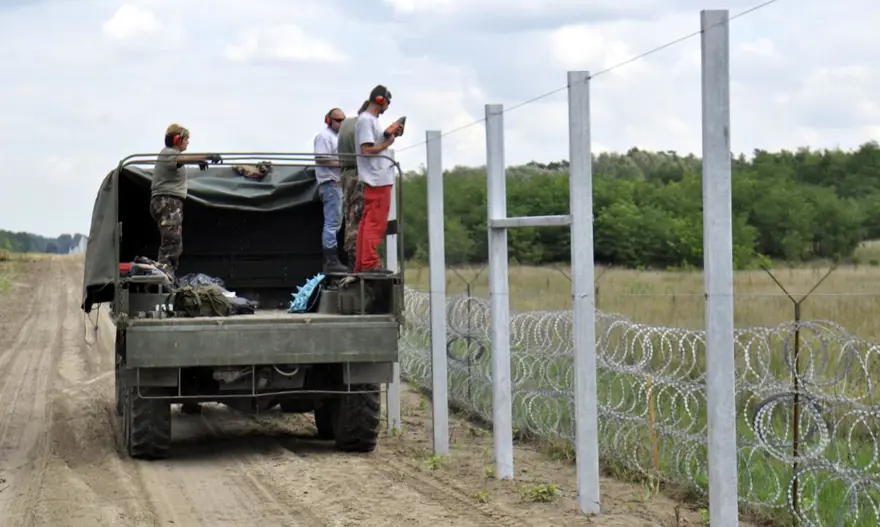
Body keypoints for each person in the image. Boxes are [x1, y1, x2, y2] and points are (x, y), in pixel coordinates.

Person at [149, 123, 221, 280]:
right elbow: (182, 159)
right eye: (186, 139)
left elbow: (182, 160)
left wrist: (200, 161)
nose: (188, 142)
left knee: (174, 242)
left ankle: (167, 274)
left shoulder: (171, 156)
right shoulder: (168, 153)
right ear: (177, 139)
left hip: (169, 203)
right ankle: (164, 276)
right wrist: (207, 157)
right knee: (172, 242)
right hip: (167, 202)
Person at [354, 85, 401, 273]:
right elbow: (366, 149)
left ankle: (362, 263)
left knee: (368, 221)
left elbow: (372, 144)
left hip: (377, 177)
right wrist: (387, 143)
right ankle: (369, 263)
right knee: (375, 223)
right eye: (387, 103)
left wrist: (386, 135)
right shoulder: (366, 120)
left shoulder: (369, 120)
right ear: (381, 100)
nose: (387, 107)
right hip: (377, 178)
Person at [314, 107, 348, 273]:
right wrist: (343, 164)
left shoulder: (337, 137)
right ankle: (331, 259)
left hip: (336, 183)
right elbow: (321, 158)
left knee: (336, 221)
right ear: (329, 120)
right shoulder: (324, 136)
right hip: (330, 182)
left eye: (343, 120)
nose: (341, 123)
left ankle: (332, 258)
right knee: (332, 222)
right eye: (338, 120)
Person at [337, 100, 370, 269]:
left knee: (349, 217)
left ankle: (352, 258)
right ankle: (357, 260)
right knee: (358, 218)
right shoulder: (361, 126)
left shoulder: (346, 124)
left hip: (345, 173)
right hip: (357, 174)